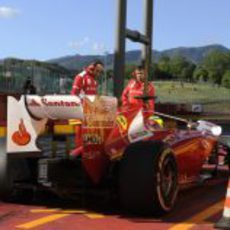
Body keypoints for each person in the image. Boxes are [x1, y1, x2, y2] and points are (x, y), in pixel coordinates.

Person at [70, 60, 104, 157]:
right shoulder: (81, 76)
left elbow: (93, 95)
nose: (99, 73)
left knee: (90, 135)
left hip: (91, 112)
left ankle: (88, 154)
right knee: (80, 135)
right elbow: (74, 94)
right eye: (97, 71)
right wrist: (82, 107)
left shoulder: (94, 79)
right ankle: (79, 156)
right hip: (81, 111)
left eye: (100, 72)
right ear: (92, 67)